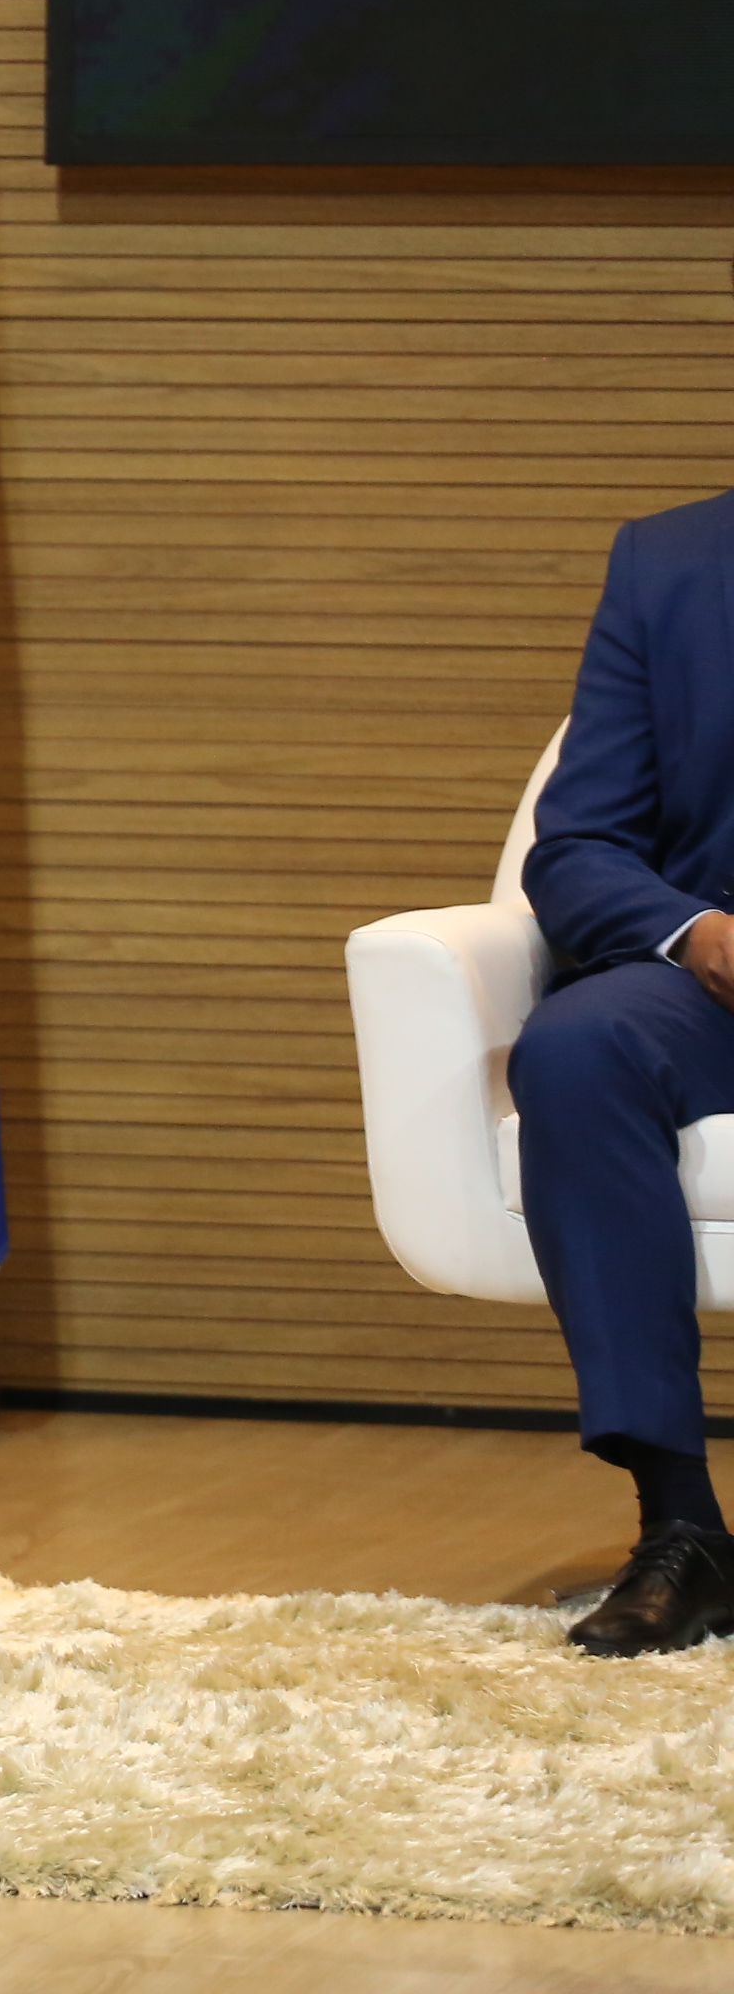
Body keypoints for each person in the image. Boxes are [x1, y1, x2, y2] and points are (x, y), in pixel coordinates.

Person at [512, 487, 734, 1654]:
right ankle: (683, 1529)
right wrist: (697, 931)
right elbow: (582, 843)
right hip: (722, 983)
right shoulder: (670, 562)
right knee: (580, 1044)